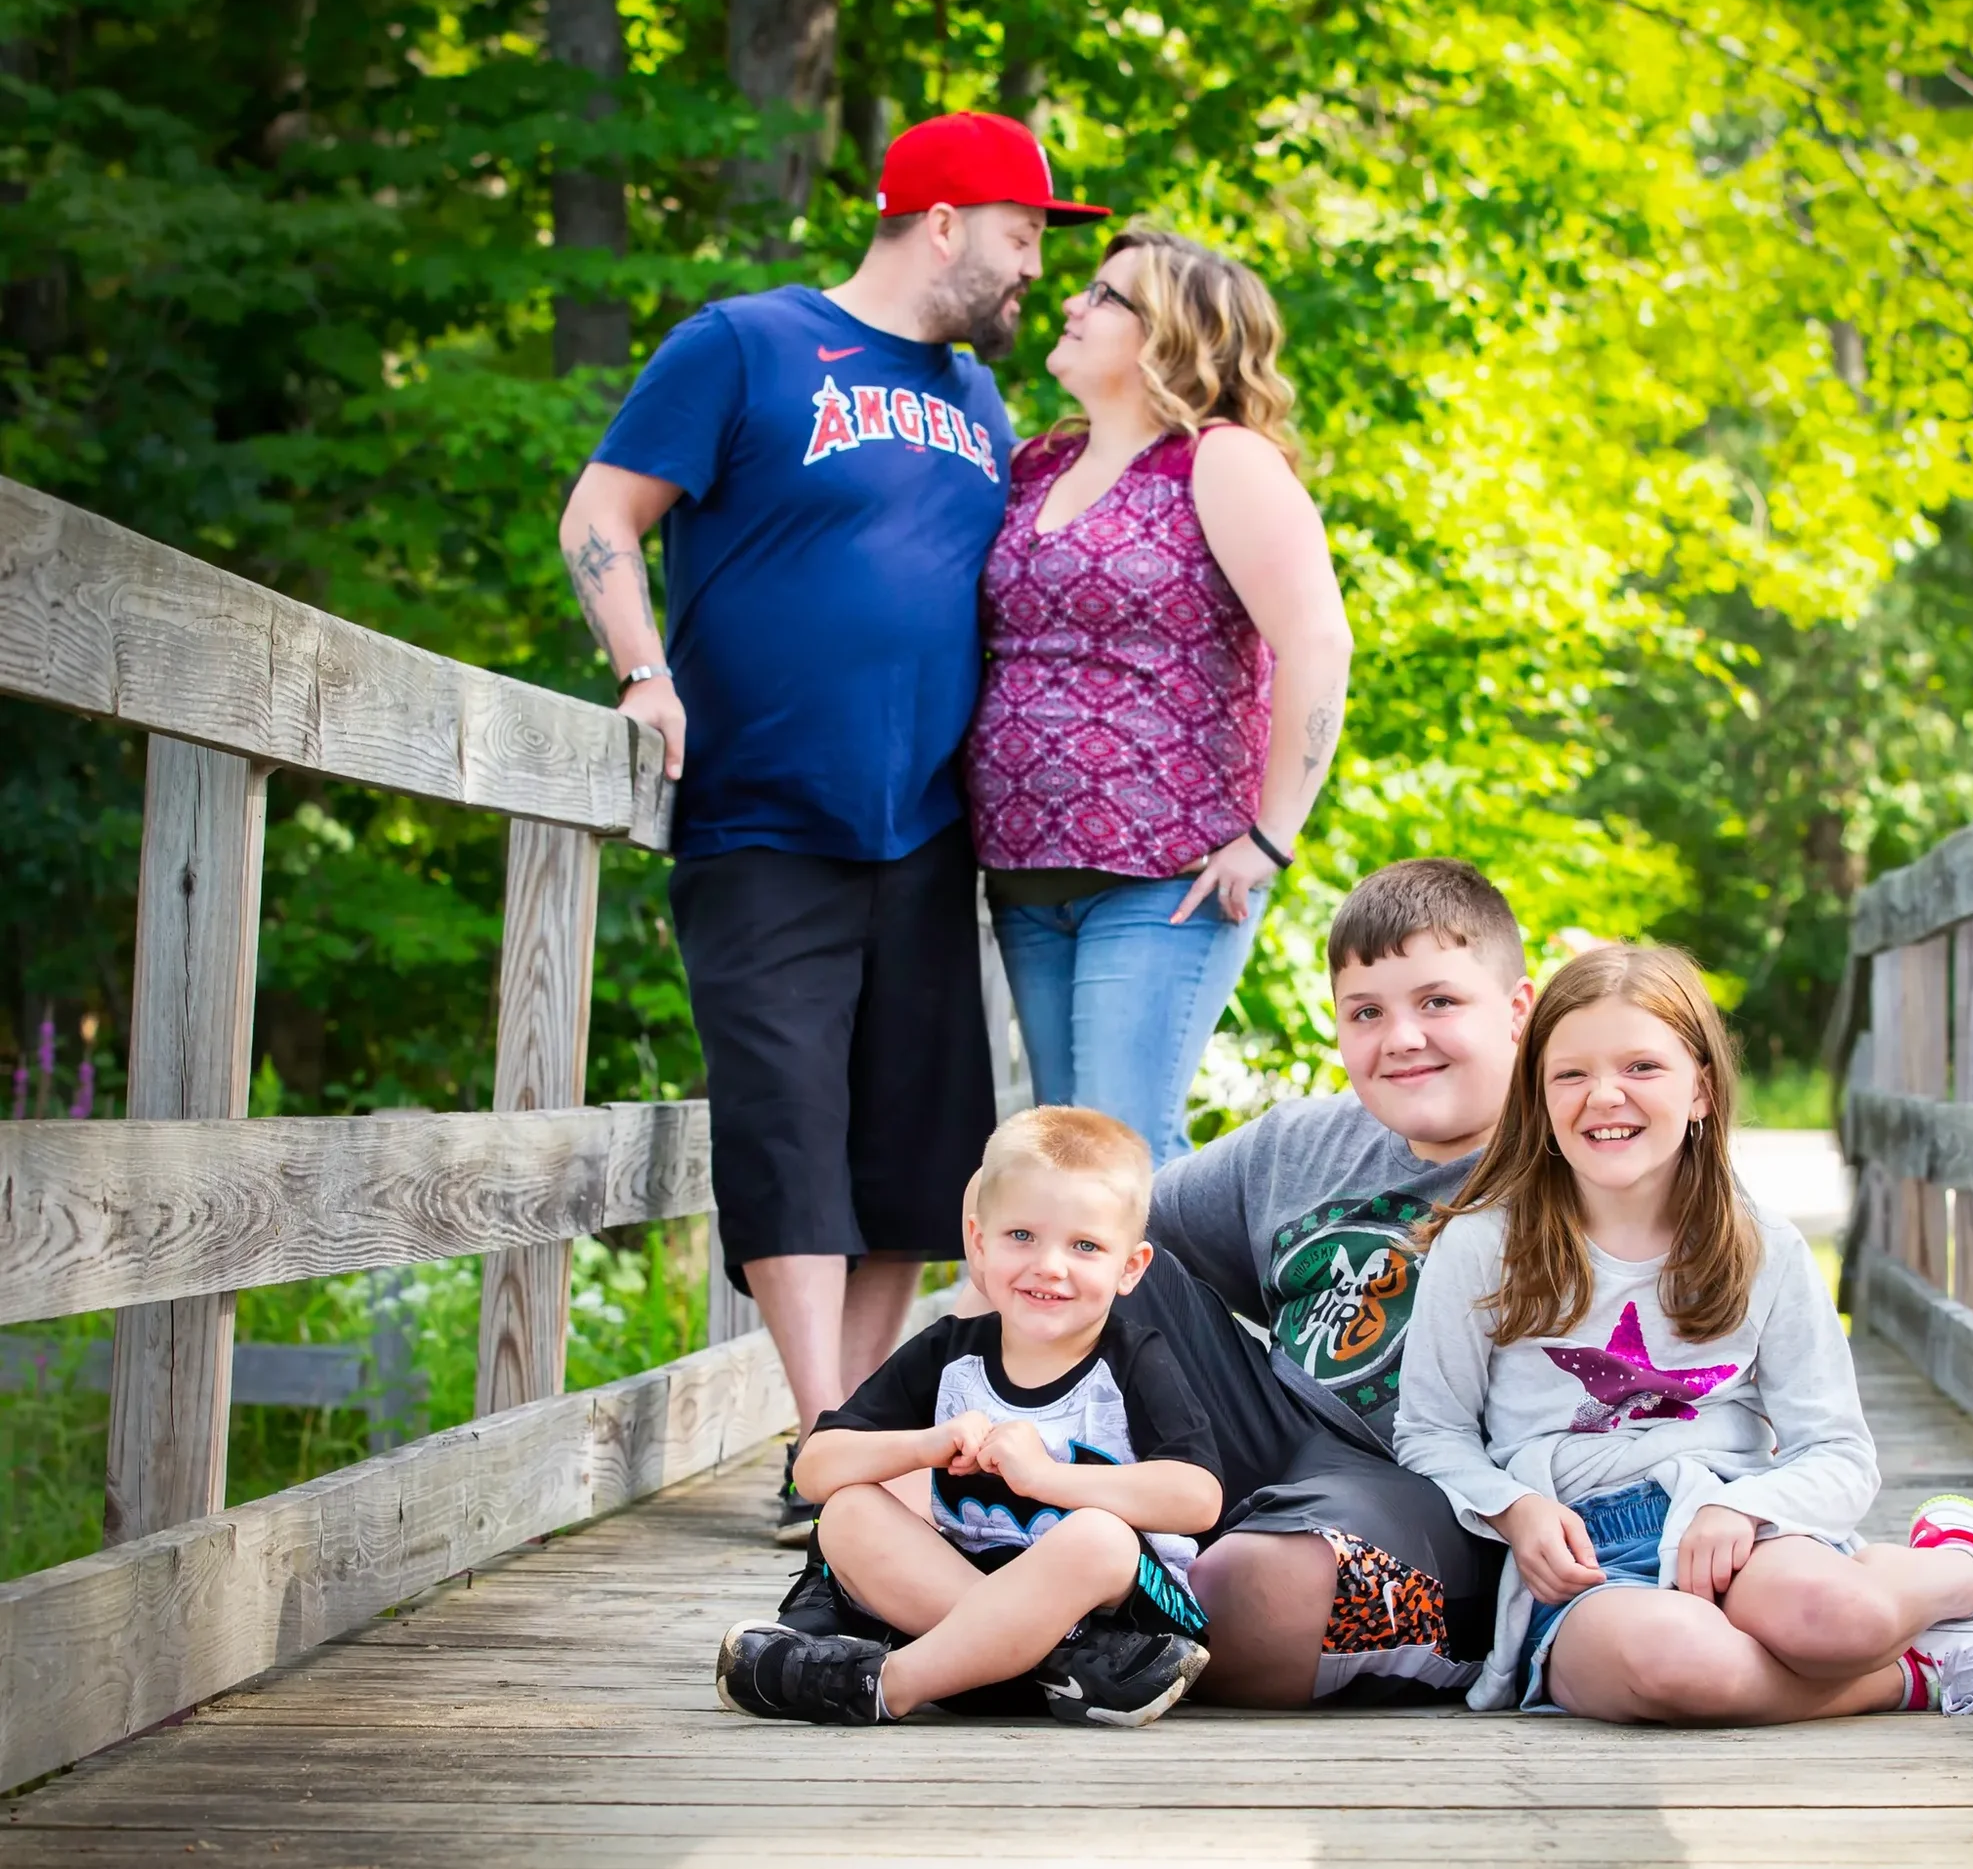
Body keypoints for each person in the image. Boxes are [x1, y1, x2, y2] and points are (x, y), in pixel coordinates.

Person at [559, 112, 1110, 1544]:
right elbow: (599, 511)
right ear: (942, 221)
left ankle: (866, 1434)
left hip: (927, 826)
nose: (1031, 263)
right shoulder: (745, 345)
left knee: (915, 1148)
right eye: (1022, 230)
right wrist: (641, 667)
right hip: (761, 810)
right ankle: (824, 1438)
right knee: (787, 1123)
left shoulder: (981, 400)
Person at [1395, 944, 1973, 1720]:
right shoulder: (1483, 1246)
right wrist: (1514, 1508)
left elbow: (1841, 1452)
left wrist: (1744, 1510)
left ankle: (1972, 1566)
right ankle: (1938, 1671)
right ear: (1538, 1099)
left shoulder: (1761, 1248)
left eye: (1642, 1067)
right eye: (1571, 1075)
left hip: (1734, 1527)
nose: (1604, 1095)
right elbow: (1431, 1431)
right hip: (1580, 1564)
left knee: (1841, 1622)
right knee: (1682, 1671)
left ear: (1702, 1091)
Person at [967, 230, 1353, 1165]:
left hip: (1165, 875)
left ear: (1168, 337)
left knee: (1122, 1148)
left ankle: (1196, 1316)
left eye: (1104, 297)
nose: (1070, 304)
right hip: (1025, 874)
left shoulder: (1219, 462)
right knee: (1067, 1160)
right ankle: (1117, 1318)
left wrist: (1272, 833)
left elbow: (1317, 638)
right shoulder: (1034, 469)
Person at [1113, 858, 1536, 1704]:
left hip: (1435, 1494)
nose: (1402, 1038)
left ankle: (1038, 1612)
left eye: (1439, 1002)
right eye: (1367, 1013)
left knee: (1253, 1591)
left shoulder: (1576, 1167)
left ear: (1518, 1010)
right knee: (1088, 1259)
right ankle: (960, 1573)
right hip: (1264, 1426)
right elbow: (1086, 1232)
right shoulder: (1299, 1145)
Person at [715, 1107, 1223, 1727]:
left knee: (1098, 1535)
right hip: (986, 1609)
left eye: (1085, 1246)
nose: (1050, 1266)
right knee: (847, 1512)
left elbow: (1197, 1498)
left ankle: (887, 1685)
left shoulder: (1135, 1360)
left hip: (1122, 1614)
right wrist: (926, 1445)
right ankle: (1056, 1665)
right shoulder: (950, 1351)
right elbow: (816, 1469)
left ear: (1130, 1268)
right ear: (980, 1242)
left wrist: (1045, 1479)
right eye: (1022, 1237)